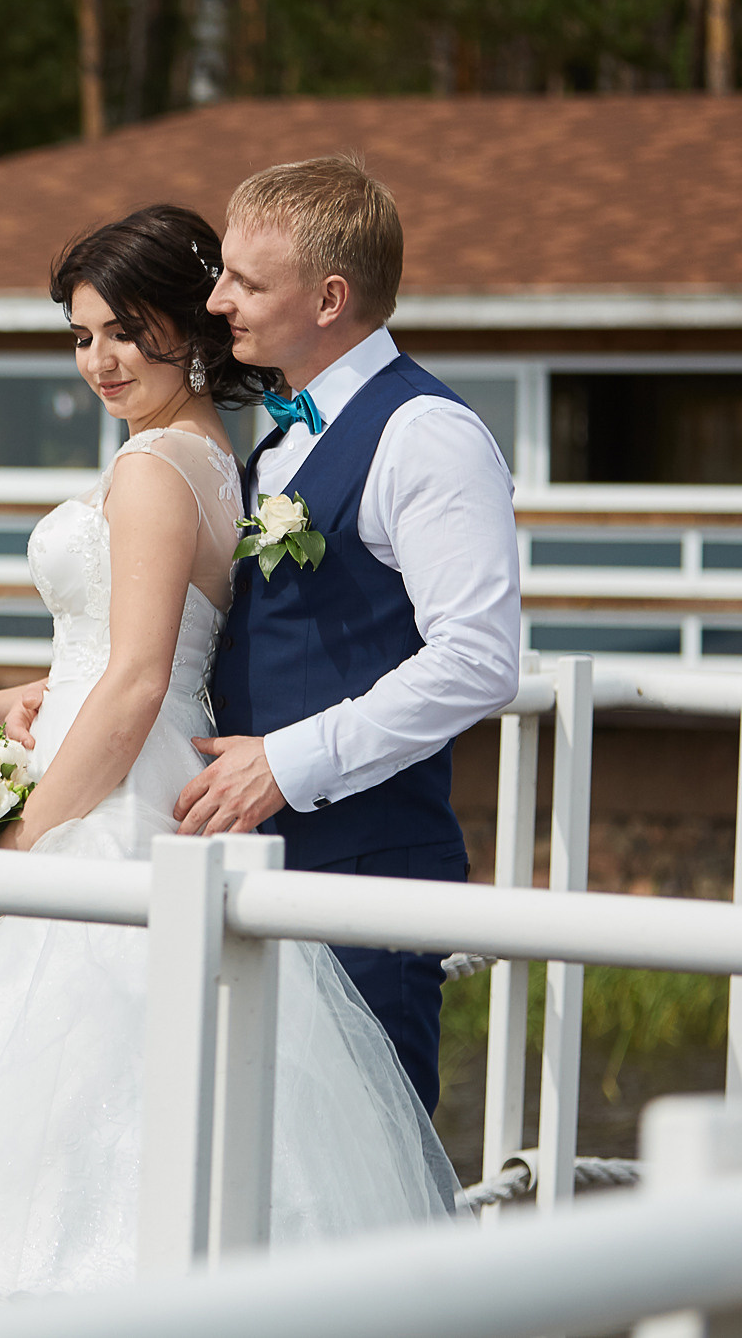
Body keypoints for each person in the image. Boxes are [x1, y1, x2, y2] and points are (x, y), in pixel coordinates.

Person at [0, 203, 455, 1312]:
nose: (100, 360)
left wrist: (16, 846)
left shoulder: (154, 469)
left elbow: (138, 679)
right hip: (135, 778)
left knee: (57, 1118)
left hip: (113, 814)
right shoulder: (221, 454)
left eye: (123, 330)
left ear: (187, 329)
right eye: (80, 335)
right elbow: (105, 666)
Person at [184, 153, 522, 1115]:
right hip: (253, 866)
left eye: (246, 281)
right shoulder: (284, 432)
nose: (217, 301)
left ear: (329, 297)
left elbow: (478, 660)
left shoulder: (426, 434)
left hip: (364, 870)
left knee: (368, 1177)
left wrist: (286, 764)